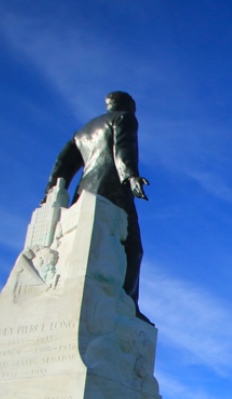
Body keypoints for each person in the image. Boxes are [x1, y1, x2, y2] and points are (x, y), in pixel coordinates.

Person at [46, 91, 151, 321]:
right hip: (112, 192)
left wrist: (51, 193)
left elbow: (62, 165)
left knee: (83, 244)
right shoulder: (124, 119)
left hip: (83, 194)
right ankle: (127, 303)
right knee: (133, 249)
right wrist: (131, 176)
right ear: (127, 106)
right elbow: (123, 148)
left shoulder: (82, 132)